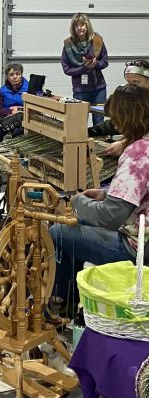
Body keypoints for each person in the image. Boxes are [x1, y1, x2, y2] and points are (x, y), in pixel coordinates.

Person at [49, 84, 149, 317]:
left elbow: (109, 217)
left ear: (129, 117)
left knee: (59, 231)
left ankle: (59, 304)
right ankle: (68, 301)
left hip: (137, 247)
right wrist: (104, 194)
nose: (115, 125)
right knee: (76, 226)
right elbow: (139, 195)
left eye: (117, 119)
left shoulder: (138, 154)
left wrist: (77, 202)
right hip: (141, 231)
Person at [89, 60, 149, 156]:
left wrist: (124, 144)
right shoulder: (133, 101)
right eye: (128, 82)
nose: (131, 86)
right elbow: (116, 123)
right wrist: (90, 131)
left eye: (136, 82)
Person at [61, 12, 108, 125]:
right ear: (73, 28)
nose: (79, 28)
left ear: (87, 26)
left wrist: (95, 65)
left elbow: (105, 62)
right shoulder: (68, 44)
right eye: (76, 25)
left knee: (99, 120)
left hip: (99, 88)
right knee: (79, 122)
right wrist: (84, 68)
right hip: (80, 90)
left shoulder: (97, 40)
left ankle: (98, 143)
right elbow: (67, 69)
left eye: (82, 24)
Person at [0, 62, 28, 143]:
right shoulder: (2, 91)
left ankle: (18, 154)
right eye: (11, 74)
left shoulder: (29, 89)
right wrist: (11, 111)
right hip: (6, 119)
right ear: (7, 77)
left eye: (17, 74)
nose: (15, 77)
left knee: (18, 132)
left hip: (22, 120)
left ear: (21, 74)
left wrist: (20, 111)